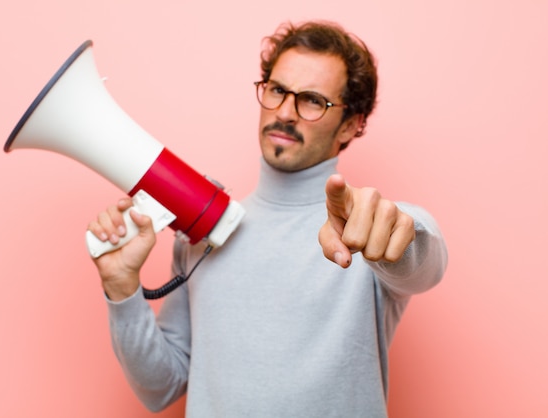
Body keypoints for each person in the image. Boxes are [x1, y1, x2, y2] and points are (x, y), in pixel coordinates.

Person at [87, 20, 448, 417]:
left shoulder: (365, 226)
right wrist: (121, 288)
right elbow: (161, 387)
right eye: (277, 91)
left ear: (351, 124)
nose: (286, 112)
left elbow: (421, 261)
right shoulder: (204, 232)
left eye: (313, 100)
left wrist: (399, 237)